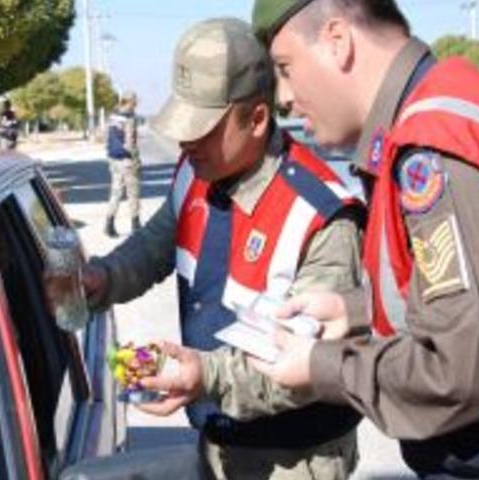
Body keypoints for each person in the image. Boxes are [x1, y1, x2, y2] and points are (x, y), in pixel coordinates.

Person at [84, 18, 365, 479]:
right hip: (219, 438)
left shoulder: (321, 214)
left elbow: (307, 362)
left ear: (257, 119)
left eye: (204, 127)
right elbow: (156, 244)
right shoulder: (197, 169)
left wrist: (203, 376)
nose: (186, 141)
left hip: (295, 458)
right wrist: (102, 277)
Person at [238, 1, 479, 477]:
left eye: (286, 69)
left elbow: (462, 372)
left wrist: (322, 366)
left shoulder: (429, 147)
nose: (285, 98)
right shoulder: (453, 99)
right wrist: (354, 311)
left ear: (338, 40)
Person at [104, 91, 141, 237]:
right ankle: (136, 225)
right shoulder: (129, 118)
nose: (136, 105)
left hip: (113, 160)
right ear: (130, 102)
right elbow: (130, 142)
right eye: (135, 102)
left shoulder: (112, 117)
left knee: (115, 193)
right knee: (133, 193)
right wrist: (136, 160)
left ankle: (109, 224)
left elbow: (107, 138)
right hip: (127, 161)